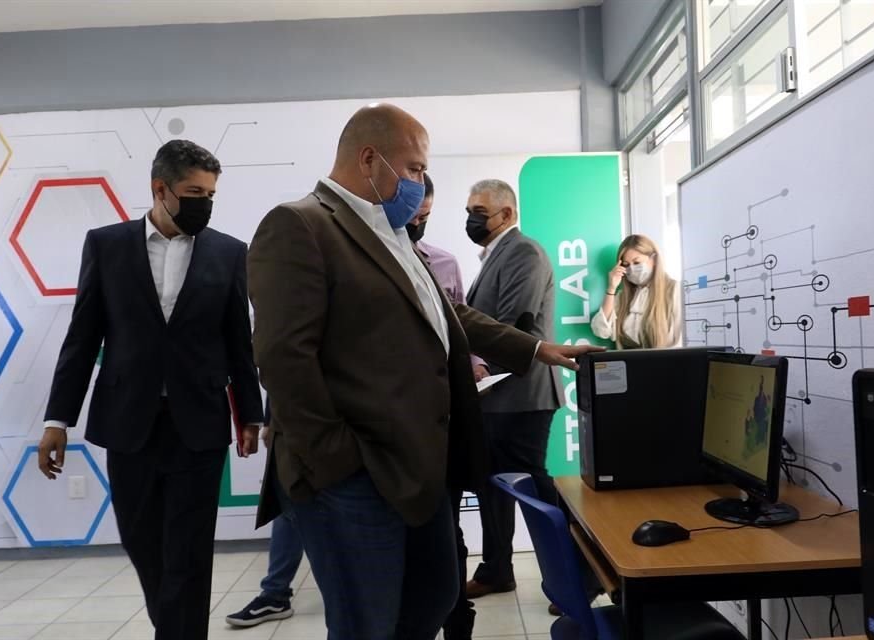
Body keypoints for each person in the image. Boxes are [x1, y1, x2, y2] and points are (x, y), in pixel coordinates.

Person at [247, 103, 601, 640]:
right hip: (356, 474)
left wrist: (536, 350)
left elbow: (449, 313)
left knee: (434, 595)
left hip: (417, 467)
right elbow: (282, 357)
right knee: (369, 622)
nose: (420, 181)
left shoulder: (390, 232)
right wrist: (340, 458)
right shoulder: (301, 225)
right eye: (413, 167)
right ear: (370, 159)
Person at [38, 140, 265, 640]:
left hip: (198, 425)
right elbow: (82, 337)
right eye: (193, 192)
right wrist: (58, 420)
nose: (204, 202)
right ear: (160, 189)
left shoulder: (229, 252)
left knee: (188, 553)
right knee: (145, 547)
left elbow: (237, 341)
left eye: (210, 193)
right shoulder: (106, 244)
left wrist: (251, 413)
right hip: (127, 422)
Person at [462, 179, 562, 600]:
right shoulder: (494, 255)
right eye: (469, 210)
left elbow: (515, 328)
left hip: (522, 395)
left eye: (480, 211)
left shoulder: (523, 251)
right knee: (492, 487)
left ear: (508, 213)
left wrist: (481, 368)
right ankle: (496, 570)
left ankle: (574, 579)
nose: (472, 219)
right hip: (497, 398)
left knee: (536, 495)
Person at [405, 173, 480, 640]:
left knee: (447, 538)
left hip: (446, 425)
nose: (418, 225)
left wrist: (476, 364)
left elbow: (463, 325)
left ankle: (459, 623)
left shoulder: (445, 264)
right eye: (414, 216)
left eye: (426, 218)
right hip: (397, 431)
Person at [225, 400, 304, 628]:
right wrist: (270, 420)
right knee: (289, 503)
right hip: (298, 421)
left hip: (345, 418)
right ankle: (275, 593)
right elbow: (279, 368)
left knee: (293, 505)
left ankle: (275, 592)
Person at [590, 234, 682, 348]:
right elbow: (601, 331)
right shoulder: (623, 297)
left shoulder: (674, 290)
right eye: (626, 265)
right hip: (627, 363)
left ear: (654, 260)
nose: (632, 269)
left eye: (637, 263)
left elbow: (680, 339)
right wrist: (611, 288)